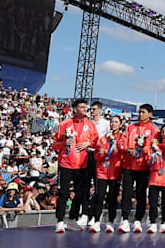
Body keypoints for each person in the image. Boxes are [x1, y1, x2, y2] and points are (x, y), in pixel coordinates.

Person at [52, 98, 98, 233]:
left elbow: (96, 141)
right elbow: (54, 144)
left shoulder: (90, 124)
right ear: (75, 109)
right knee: (63, 193)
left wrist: (88, 144)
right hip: (65, 164)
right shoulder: (64, 124)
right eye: (82, 107)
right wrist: (63, 144)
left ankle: (72, 220)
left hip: (82, 165)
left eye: (86, 107)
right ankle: (60, 221)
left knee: (80, 194)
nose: (85, 109)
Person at [117, 103, 159, 233]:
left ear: (150, 114)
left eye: (143, 112)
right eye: (140, 112)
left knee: (141, 195)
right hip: (129, 165)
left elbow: (156, 147)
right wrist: (127, 150)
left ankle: (138, 221)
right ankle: (124, 220)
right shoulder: (131, 127)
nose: (141, 114)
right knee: (127, 194)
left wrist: (145, 150)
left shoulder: (154, 130)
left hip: (144, 167)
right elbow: (121, 142)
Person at [90, 115, 123, 233]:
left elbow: (123, 155)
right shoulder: (103, 138)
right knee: (99, 197)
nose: (113, 124)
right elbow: (96, 156)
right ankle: (96, 221)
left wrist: (115, 150)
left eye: (116, 122)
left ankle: (110, 222)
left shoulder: (122, 139)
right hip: (102, 172)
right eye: (112, 122)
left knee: (112, 198)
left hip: (115, 172)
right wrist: (102, 153)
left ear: (120, 124)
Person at [80, 100, 110, 228]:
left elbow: (108, 141)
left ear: (100, 110)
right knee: (85, 186)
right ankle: (85, 214)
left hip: (99, 157)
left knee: (98, 187)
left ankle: (94, 216)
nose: (91, 111)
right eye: (90, 109)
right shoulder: (86, 122)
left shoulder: (106, 124)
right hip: (87, 155)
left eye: (93, 109)